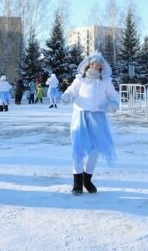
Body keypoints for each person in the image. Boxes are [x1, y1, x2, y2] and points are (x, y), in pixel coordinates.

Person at [60, 53, 120, 195]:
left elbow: (114, 96)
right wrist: (67, 96)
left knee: (95, 151)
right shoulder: (80, 80)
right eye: (92, 64)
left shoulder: (105, 82)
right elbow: (71, 91)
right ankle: (77, 184)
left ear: (101, 67)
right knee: (78, 151)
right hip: (81, 116)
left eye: (98, 65)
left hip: (98, 118)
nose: (95, 66)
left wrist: (113, 103)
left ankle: (87, 179)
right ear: (88, 65)